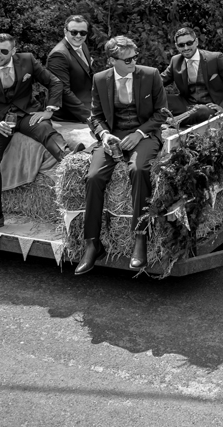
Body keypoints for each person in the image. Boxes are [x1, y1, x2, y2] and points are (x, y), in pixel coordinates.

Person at [76, 36, 168, 275]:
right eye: (127, 59)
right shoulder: (100, 79)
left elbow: (161, 114)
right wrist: (105, 135)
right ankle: (92, 243)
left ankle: (140, 239)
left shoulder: (151, 74)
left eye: (135, 57)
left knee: (138, 170)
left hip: (144, 135)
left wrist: (139, 134)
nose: (133, 62)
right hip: (113, 136)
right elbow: (95, 116)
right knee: (94, 177)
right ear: (112, 60)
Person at [0, 33, 70, 234]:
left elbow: (55, 82)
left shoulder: (27, 60)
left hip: (26, 113)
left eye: (3, 51)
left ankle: (72, 160)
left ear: (13, 51)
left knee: (45, 131)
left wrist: (48, 110)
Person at [160, 27, 223, 127]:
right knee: (158, 98)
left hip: (210, 107)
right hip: (187, 104)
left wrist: (222, 107)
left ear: (196, 42)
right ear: (176, 46)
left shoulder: (215, 58)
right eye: (181, 45)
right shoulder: (176, 61)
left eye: (189, 43)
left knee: (200, 110)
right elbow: (159, 82)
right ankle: (169, 119)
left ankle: (174, 121)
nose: (186, 48)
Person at [46, 14, 94, 123]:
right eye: (74, 32)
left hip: (87, 102)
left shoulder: (82, 45)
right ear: (65, 31)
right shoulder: (58, 55)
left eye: (83, 33)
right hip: (70, 113)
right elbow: (63, 92)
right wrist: (90, 117)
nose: (78, 36)